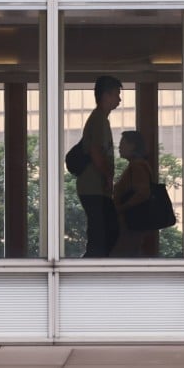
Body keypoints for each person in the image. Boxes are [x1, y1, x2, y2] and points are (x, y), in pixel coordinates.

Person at [77, 75, 122, 257]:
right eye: (116, 94)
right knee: (102, 232)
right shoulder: (98, 120)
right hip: (93, 186)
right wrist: (108, 177)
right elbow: (96, 152)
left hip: (94, 187)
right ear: (106, 96)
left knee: (103, 231)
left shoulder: (100, 119)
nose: (119, 99)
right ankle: (92, 267)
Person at [112, 130, 155, 257]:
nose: (119, 147)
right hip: (131, 222)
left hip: (131, 223)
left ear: (133, 145)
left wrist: (121, 208)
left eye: (123, 143)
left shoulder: (137, 166)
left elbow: (143, 193)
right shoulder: (137, 165)